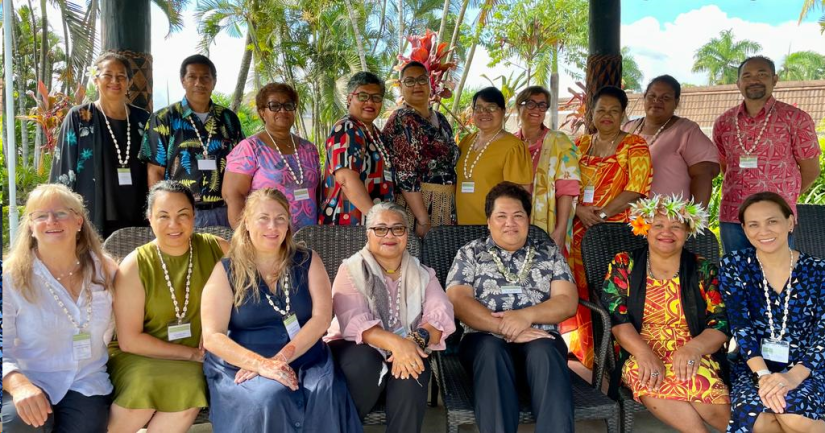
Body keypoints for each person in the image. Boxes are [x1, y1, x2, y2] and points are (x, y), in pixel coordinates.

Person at [201, 188, 362, 432]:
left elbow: (321, 318)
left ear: (288, 224)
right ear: (246, 223)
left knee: (323, 391)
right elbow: (213, 336)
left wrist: (280, 359)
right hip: (243, 360)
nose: (272, 227)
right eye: (263, 218)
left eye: (280, 219)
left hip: (305, 354)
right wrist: (261, 364)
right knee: (270, 396)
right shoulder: (226, 270)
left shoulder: (307, 260)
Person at [446, 182, 578, 433]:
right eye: (501, 216)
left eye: (518, 216)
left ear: (528, 219)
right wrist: (504, 327)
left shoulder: (548, 252)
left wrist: (525, 317)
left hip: (539, 338)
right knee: (491, 350)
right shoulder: (471, 253)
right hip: (484, 339)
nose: (510, 223)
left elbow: (567, 301)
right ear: (488, 221)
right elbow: (457, 301)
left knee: (545, 351)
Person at [106, 181, 230, 433]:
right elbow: (129, 341)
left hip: (200, 355)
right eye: (163, 216)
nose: (174, 225)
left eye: (183, 215)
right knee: (142, 389)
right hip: (141, 355)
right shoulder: (135, 265)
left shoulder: (217, 249)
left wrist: (222, 333)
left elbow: (250, 288)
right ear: (150, 218)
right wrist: (192, 355)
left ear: (195, 216)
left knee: (188, 386)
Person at [601, 195, 730, 433]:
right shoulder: (625, 264)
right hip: (639, 348)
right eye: (658, 225)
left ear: (688, 231)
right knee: (649, 375)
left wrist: (693, 349)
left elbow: (720, 322)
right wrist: (644, 353)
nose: (666, 232)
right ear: (645, 229)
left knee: (701, 388)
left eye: (676, 226)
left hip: (693, 349)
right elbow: (617, 318)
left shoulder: (703, 269)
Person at [325, 202, 455, 433]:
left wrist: (414, 342)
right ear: (368, 233)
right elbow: (356, 322)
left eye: (398, 228)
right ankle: (339, 426)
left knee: (414, 372)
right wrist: (399, 345)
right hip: (356, 349)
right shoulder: (351, 270)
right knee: (367, 361)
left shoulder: (422, 273)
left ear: (406, 234)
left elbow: (441, 312)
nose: (389, 235)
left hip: (407, 349)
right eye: (380, 229)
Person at [2, 184, 118, 432]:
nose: (51, 221)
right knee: (21, 421)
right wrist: (18, 385)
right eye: (41, 215)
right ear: (31, 227)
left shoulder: (106, 271)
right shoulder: (10, 277)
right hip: (31, 376)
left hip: (86, 381)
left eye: (61, 213)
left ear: (79, 221)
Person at [720, 192, 825, 433]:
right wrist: (765, 376)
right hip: (755, 365)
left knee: (791, 414)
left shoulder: (819, 270)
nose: (763, 231)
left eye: (772, 221)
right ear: (745, 230)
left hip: (809, 366)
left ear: (790, 222)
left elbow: (823, 334)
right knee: (759, 420)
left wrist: (793, 377)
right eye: (753, 225)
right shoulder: (735, 265)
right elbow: (741, 326)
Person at [566, 85, 653, 368]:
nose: (607, 116)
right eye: (601, 110)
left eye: (614, 111)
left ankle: (620, 361)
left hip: (617, 235)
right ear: (591, 113)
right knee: (581, 291)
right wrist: (579, 210)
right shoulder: (578, 145)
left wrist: (601, 215)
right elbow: (565, 185)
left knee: (615, 295)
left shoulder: (635, 145)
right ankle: (589, 356)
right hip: (579, 230)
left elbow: (637, 188)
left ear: (623, 114)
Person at [713, 56, 820, 254]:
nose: (754, 80)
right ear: (738, 83)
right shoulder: (724, 122)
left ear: (775, 79)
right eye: (747, 75)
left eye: (762, 74)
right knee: (738, 277)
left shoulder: (796, 119)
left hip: (775, 218)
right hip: (733, 216)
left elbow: (811, 170)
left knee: (777, 279)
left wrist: (785, 198)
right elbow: (725, 166)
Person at [51, 52, 152, 238]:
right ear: (96, 80)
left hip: (139, 217)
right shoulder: (79, 117)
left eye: (122, 76)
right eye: (108, 75)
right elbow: (63, 173)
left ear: (129, 82)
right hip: (92, 218)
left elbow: (155, 167)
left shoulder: (143, 119)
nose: (115, 80)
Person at [139, 54, 245, 228]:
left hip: (224, 212)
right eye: (192, 77)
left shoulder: (229, 119)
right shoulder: (163, 119)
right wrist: (161, 211)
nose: (199, 83)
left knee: (225, 256)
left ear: (214, 81)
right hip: (180, 214)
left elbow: (240, 168)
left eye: (205, 77)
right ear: (183, 81)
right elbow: (155, 171)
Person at [224, 83, 320, 231]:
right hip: (268, 236)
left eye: (288, 105)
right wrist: (245, 237)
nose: (282, 110)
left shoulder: (309, 149)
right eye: (274, 106)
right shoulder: (250, 148)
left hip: (309, 236)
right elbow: (233, 195)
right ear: (262, 112)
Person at [383, 61, 460, 237]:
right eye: (410, 81)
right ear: (401, 86)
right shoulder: (403, 120)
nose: (417, 85)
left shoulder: (440, 119)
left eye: (422, 79)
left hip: (444, 204)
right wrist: (423, 219)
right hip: (418, 209)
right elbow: (405, 174)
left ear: (430, 84)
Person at [623, 75, 719, 207]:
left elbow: (705, 173)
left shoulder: (686, 130)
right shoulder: (628, 128)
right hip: (626, 218)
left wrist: (695, 219)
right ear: (644, 98)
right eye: (652, 96)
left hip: (669, 221)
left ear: (676, 102)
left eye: (665, 98)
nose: (657, 101)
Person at [319, 71, 395, 226]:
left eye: (376, 97)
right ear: (349, 99)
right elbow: (346, 179)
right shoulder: (347, 128)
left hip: (372, 221)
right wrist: (376, 220)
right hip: (349, 222)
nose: (370, 102)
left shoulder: (374, 133)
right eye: (362, 96)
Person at [513, 86, 580, 253]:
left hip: (547, 224)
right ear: (519, 106)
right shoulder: (510, 143)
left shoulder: (559, 142)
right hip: (512, 222)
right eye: (530, 104)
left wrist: (561, 229)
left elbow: (567, 189)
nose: (537, 109)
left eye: (542, 105)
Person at [456, 87, 533, 225]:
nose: (484, 113)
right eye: (478, 108)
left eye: (491, 107)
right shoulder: (466, 141)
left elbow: (519, 195)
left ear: (503, 111)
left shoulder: (513, 147)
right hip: (461, 226)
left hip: (495, 228)